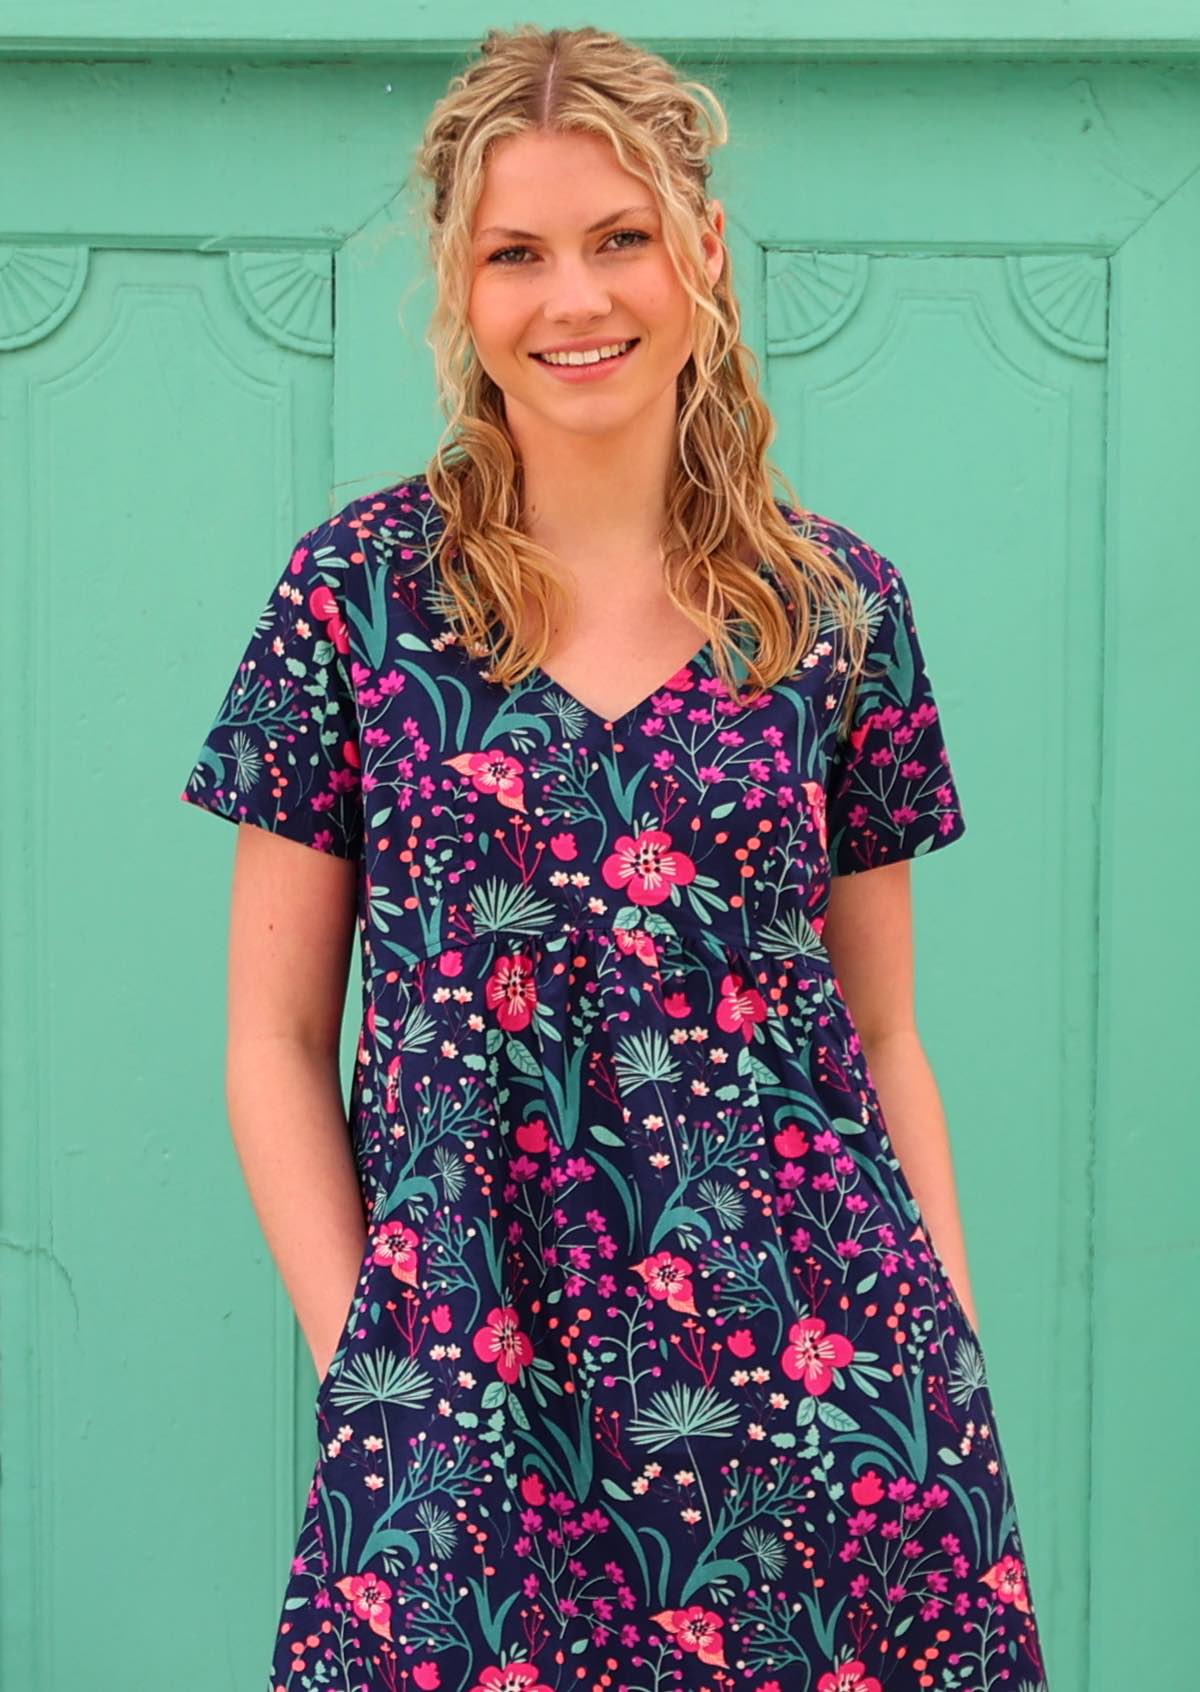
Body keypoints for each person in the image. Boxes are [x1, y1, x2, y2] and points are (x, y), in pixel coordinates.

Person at [180, 24, 1050, 1692]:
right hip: (465, 1410)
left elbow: (879, 1038)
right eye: (518, 252)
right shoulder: (355, 600)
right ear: (461, 280)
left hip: (831, 1407)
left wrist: (946, 1341)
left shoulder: (835, 612)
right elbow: (273, 1042)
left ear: (701, 253)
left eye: (619, 238)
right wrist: (381, 1361)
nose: (574, 297)